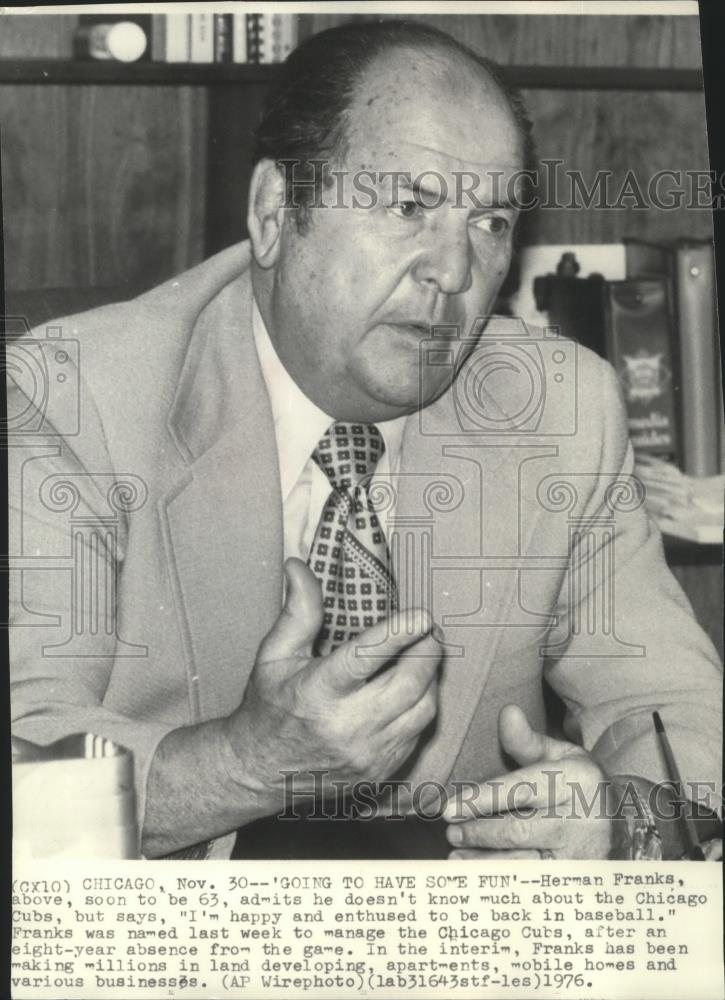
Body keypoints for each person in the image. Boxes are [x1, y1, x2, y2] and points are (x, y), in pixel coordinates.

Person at [8, 20, 722, 861]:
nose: (452, 271)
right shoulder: (69, 399)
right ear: (277, 213)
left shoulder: (560, 408)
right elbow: (26, 764)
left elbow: (675, 706)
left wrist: (622, 817)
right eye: (408, 206)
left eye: (490, 223)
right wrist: (247, 764)